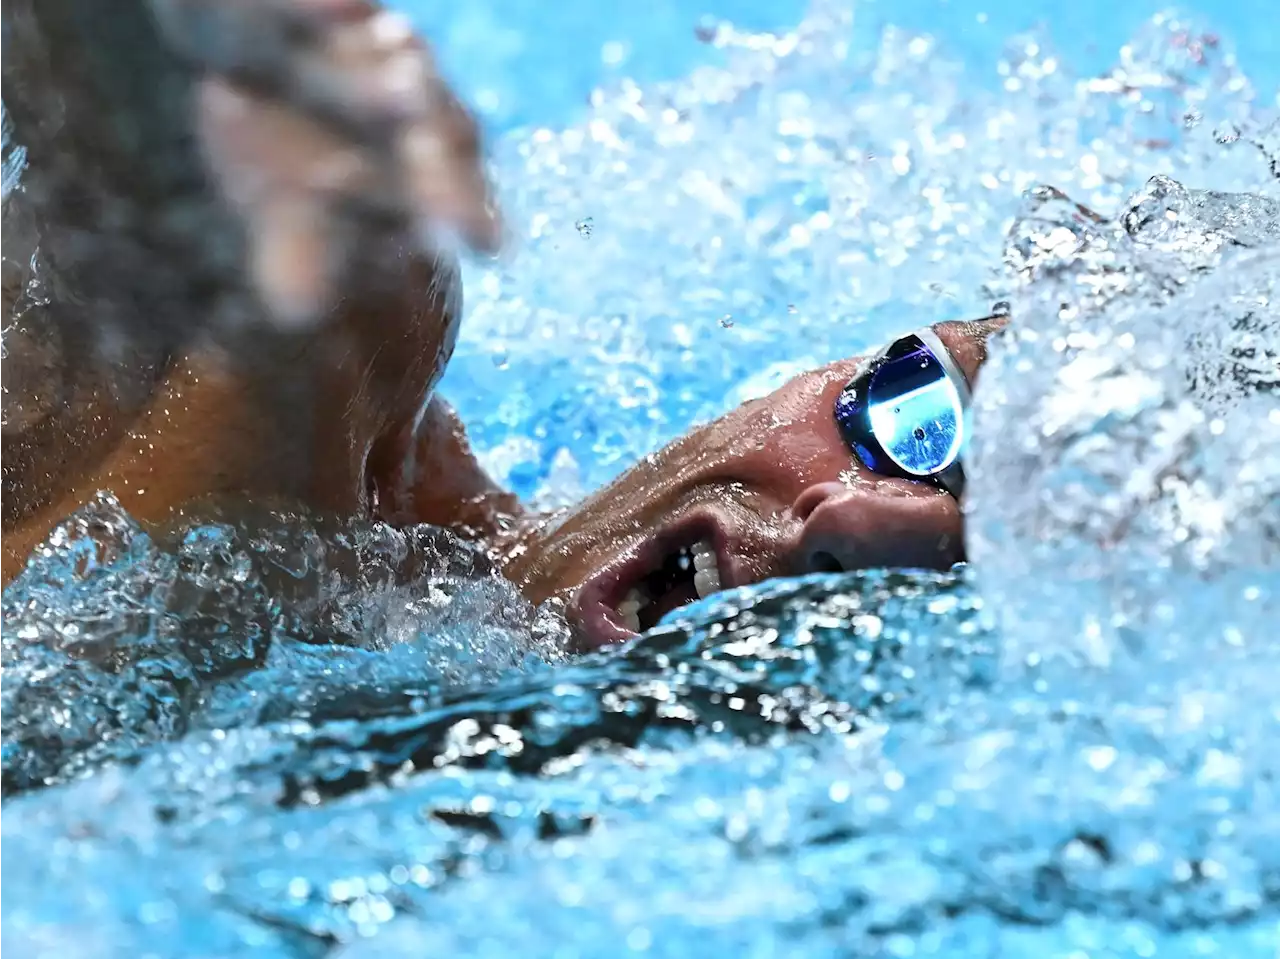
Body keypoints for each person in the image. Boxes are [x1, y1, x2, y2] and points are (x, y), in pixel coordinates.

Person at [0, 0, 1004, 651]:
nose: (857, 519)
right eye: (918, 421)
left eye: (982, 573)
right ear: (830, 369)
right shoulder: (318, 361)